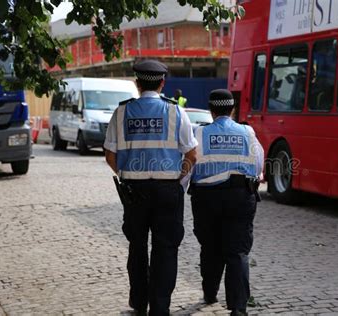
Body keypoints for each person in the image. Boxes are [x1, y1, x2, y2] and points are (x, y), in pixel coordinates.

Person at [103, 59, 198, 315]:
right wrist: (179, 180)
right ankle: (160, 307)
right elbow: (192, 153)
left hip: (134, 191)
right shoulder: (175, 111)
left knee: (137, 247)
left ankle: (139, 302)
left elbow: (109, 155)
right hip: (168, 190)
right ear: (162, 82)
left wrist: (126, 175)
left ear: (137, 83)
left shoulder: (121, 112)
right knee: (165, 249)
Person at [188, 89, 264, 316]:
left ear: (211, 111)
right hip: (241, 196)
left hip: (207, 198)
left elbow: (189, 165)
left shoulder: (199, 133)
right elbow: (258, 164)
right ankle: (239, 308)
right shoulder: (247, 132)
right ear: (232, 109)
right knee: (238, 251)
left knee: (210, 247)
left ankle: (210, 293)